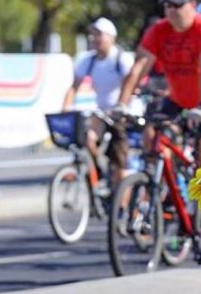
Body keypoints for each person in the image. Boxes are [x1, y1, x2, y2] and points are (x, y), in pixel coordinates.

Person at [119, 0, 201, 262]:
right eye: (167, 5)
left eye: (177, 4)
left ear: (192, 5)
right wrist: (121, 104)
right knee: (151, 132)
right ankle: (160, 180)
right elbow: (139, 66)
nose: (171, 9)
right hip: (179, 98)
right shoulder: (160, 29)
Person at [62, 17, 133, 191]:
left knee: (119, 159)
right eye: (93, 35)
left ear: (111, 38)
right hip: (101, 111)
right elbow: (74, 87)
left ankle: (121, 206)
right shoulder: (89, 61)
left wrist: (121, 106)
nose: (95, 39)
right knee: (89, 139)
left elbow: (130, 84)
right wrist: (65, 109)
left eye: (99, 35)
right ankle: (99, 173)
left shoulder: (120, 59)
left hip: (121, 112)